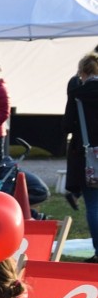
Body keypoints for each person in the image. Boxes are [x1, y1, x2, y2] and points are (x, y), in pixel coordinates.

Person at [63, 52, 98, 263]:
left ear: (83, 72)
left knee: (94, 205)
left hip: (88, 157)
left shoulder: (78, 95)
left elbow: (67, 126)